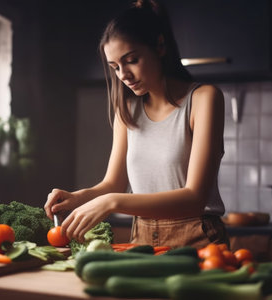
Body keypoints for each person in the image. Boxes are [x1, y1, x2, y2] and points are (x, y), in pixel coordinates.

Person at [45, 0, 229, 249]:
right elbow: (114, 184)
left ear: (160, 46)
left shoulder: (204, 98)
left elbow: (194, 198)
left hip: (198, 237)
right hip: (141, 238)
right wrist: (76, 198)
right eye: (115, 67)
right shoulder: (128, 111)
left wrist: (113, 202)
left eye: (131, 60)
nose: (123, 75)